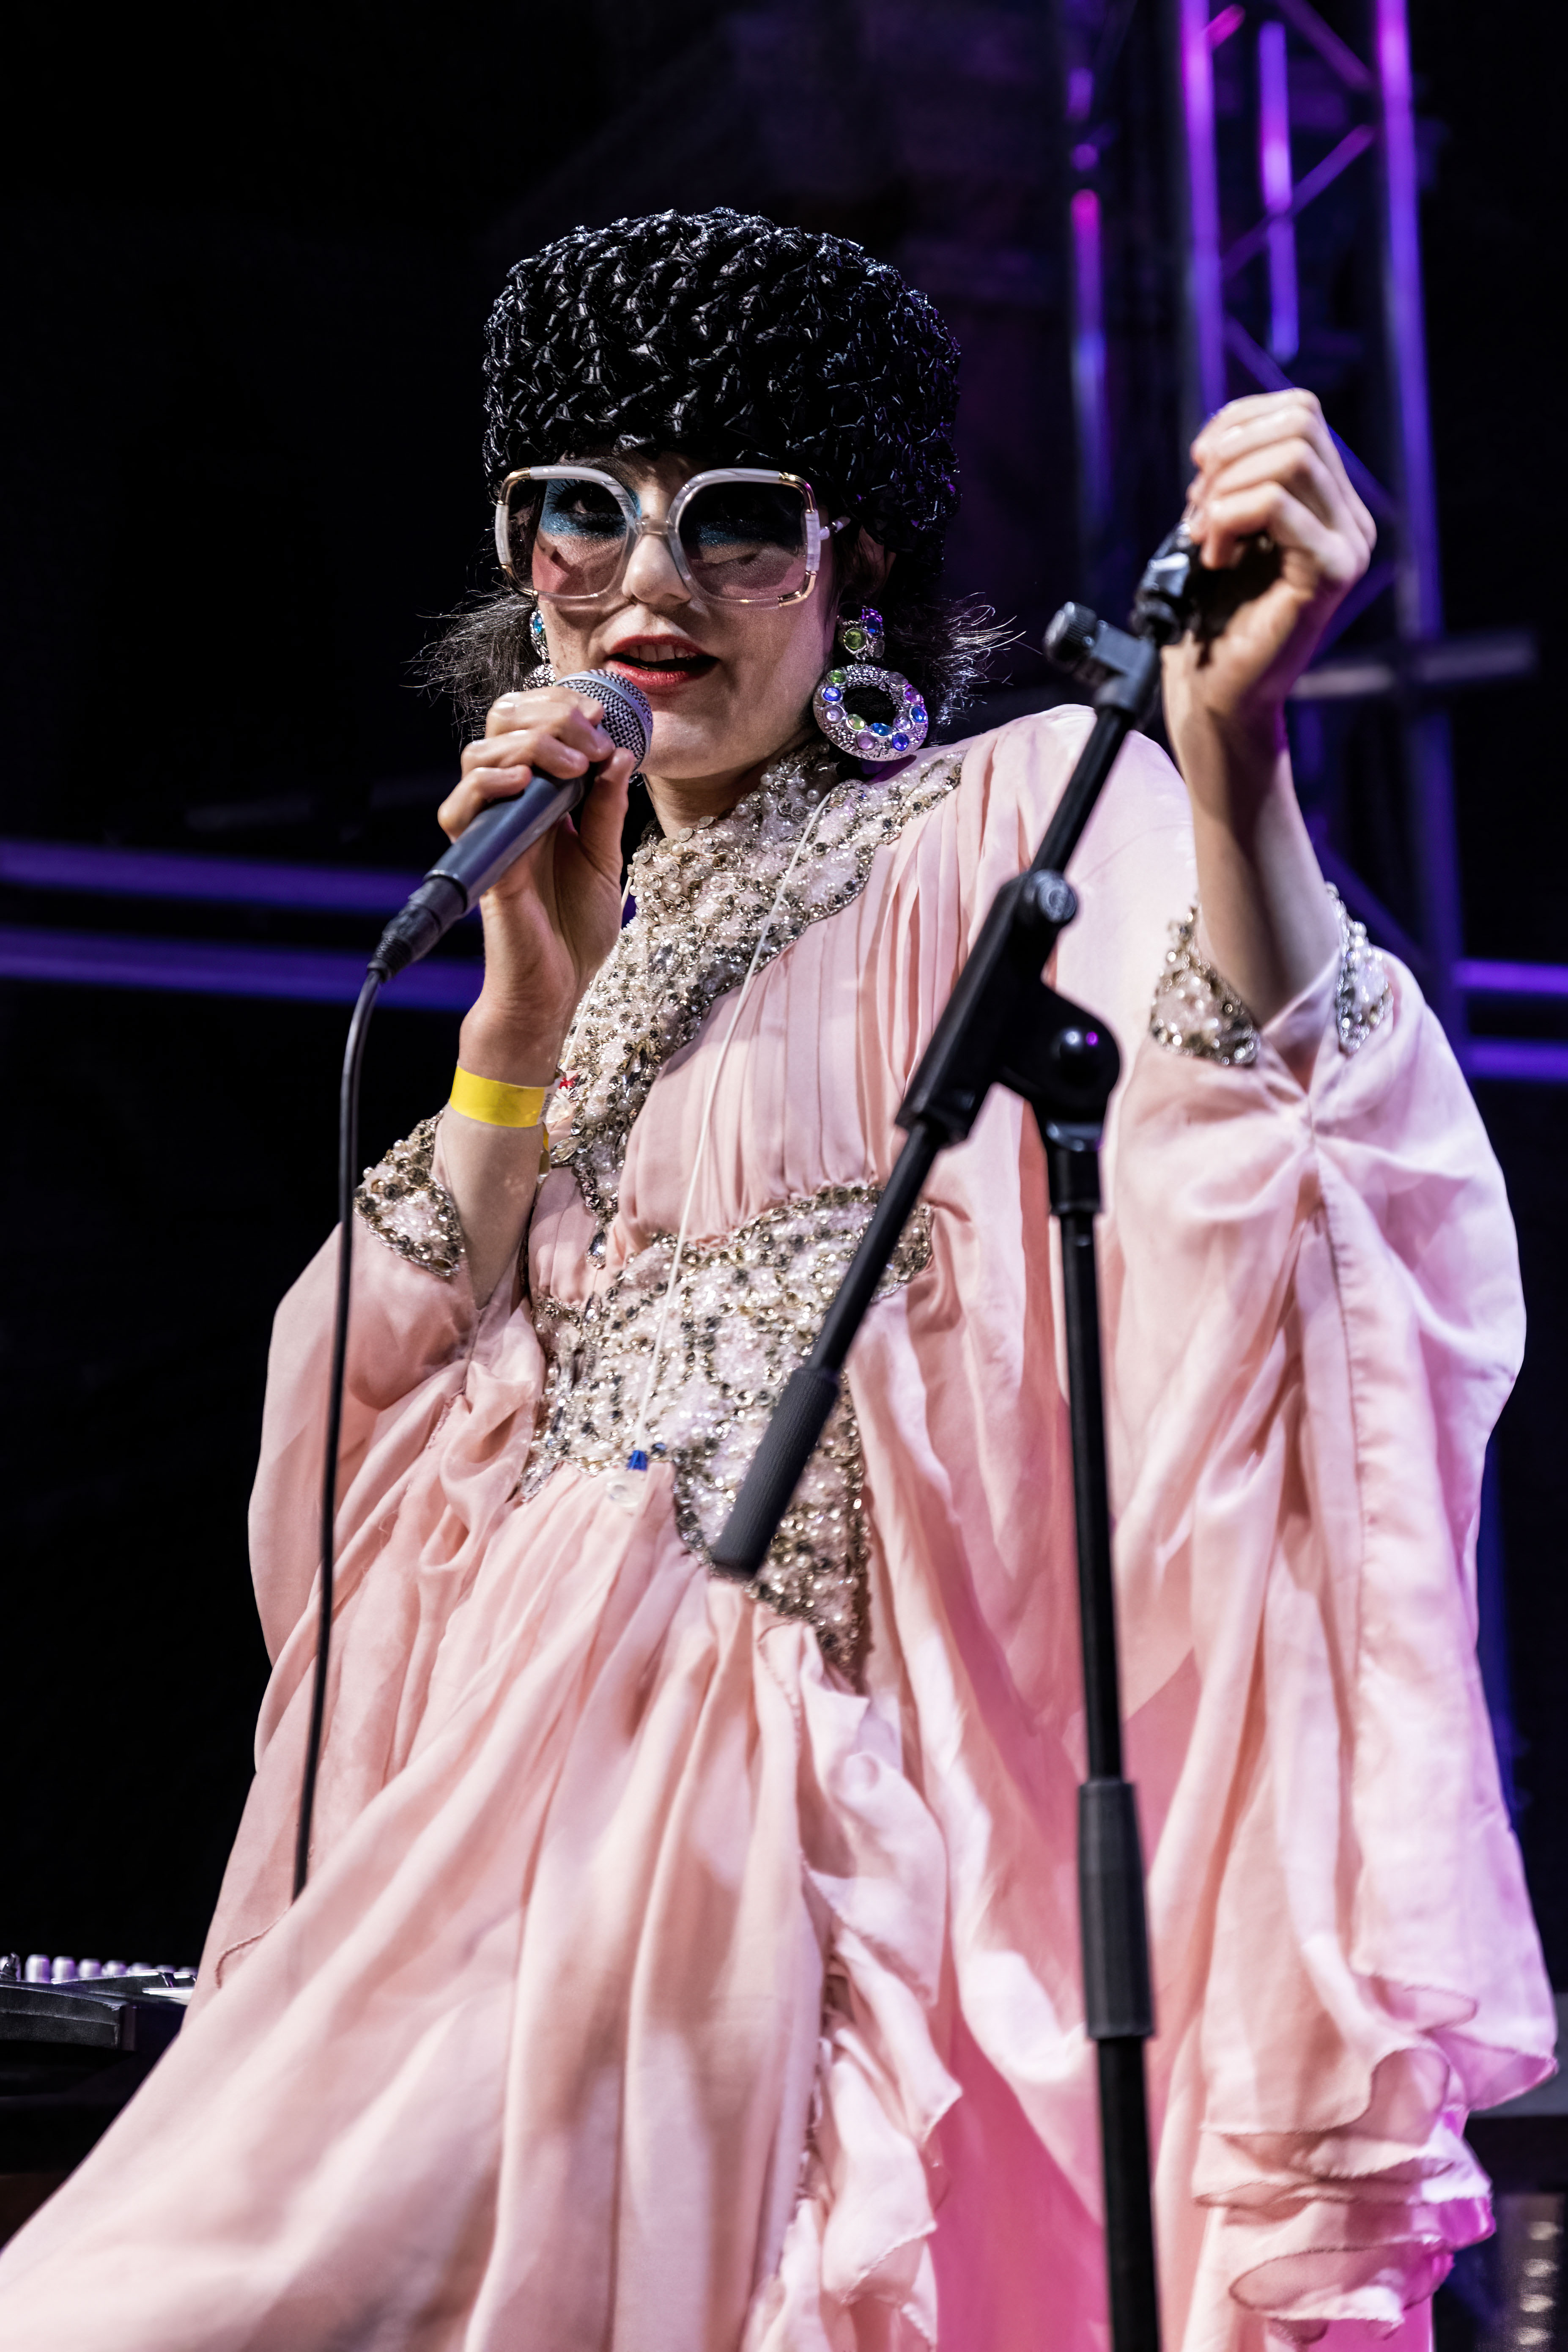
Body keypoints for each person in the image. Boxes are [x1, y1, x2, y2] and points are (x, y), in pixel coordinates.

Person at [0, 207, 1550, 2352]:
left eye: (734, 517)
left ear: (857, 562)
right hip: (510, 1824)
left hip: (801, 1808)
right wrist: (518, 1021)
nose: (646, 582)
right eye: (579, 508)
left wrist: (1239, 765)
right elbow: (369, 1458)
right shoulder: (580, 964)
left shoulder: (1014, 818)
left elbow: (1281, 1137)